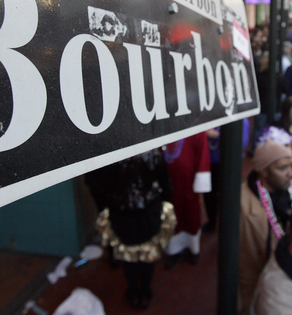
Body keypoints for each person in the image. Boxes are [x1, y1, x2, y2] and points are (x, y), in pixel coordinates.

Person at [87, 150, 177, 309]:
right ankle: (144, 293)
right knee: (146, 254)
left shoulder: (107, 153)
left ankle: (135, 293)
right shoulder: (151, 151)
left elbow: (95, 184)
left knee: (127, 255)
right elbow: (166, 183)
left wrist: (107, 205)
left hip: (122, 214)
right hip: (147, 213)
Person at [239, 134, 292, 314]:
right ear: (264, 171)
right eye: (283, 168)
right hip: (255, 288)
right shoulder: (240, 203)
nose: (291, 173)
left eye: (291, 166)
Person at [163, 132, 211, 269]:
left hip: (189, 185)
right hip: (168, 183)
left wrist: (201, 181)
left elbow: (203, 154)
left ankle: (193, 249)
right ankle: (174, 251)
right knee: (171, 217)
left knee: (191, 216)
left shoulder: (197, 128)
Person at [203, 120, 251, 231]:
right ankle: (212, 222)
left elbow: (241, 143)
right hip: (210, 162)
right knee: (209, 195)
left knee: (228, 196)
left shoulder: (241, 119)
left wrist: (217, 136)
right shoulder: (209, 115)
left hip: (229, 163)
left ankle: (228, 226)